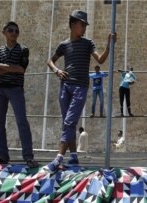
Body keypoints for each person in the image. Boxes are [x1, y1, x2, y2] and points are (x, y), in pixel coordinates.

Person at [45, 10, 116, 172]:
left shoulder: (88, 43)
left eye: (85, 25)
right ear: (73, 25)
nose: (84, 28)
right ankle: (74, 158)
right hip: (65, 86)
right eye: (82, 25)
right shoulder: (63, 45)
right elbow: (50, 60)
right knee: (67, 124)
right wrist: (57, 70)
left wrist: (108, 45)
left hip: (80, 87)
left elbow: (101, 60)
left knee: (69, 122)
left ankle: (58, 159)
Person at [0, 21, 38, 167]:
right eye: (11, 30)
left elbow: (21, 69)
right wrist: (10, 67)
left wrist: (0, 66)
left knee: (22, 121)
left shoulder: (23, 49)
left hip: (15, 88)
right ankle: (2, 157)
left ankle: (28, 157)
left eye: (17, 31)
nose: (14, 33)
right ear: (4, 32)